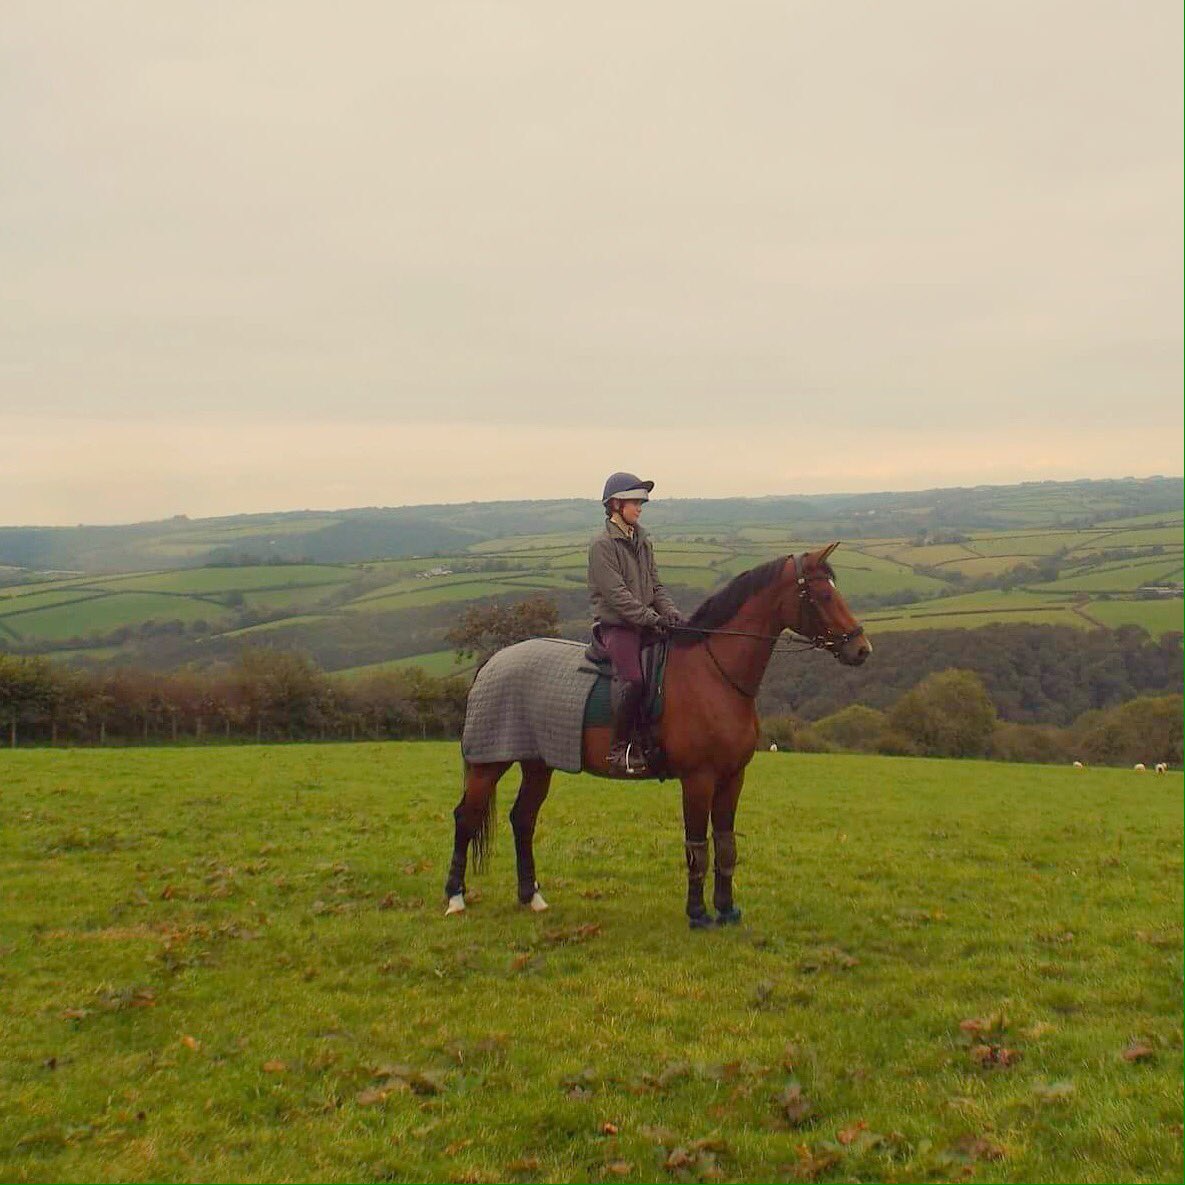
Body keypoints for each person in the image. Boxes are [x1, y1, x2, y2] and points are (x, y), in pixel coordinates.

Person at [588, 472, 685, 775]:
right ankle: (619, 750)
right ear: (616, 504)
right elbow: (618, 597)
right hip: (618, 627)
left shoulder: (642, 540)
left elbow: (656, 587)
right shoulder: (602, 545)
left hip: (645, 623)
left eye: (641, 502)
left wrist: (672, 614)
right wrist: (651, 618)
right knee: (633, 680)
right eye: (635, 502)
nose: (640, 508)